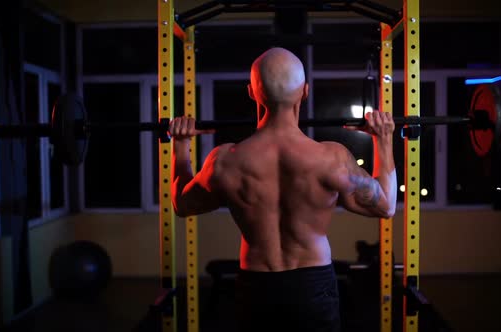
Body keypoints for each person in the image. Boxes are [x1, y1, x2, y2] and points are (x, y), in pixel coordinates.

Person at [169, 47, 397, 332]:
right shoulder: (331, 158)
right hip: (312, 285)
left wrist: (180, 146)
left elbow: (182, 204)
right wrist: (384, 140)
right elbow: (386, 205)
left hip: (256, 286)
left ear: (251, 92)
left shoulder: (225, 160)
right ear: (305, 92)